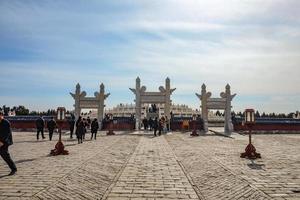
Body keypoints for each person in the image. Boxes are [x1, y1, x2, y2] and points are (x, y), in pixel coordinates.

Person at [0, 111, 17, 176]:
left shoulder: (5, 122)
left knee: (5, 156)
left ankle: (14, 169)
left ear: (2, 115)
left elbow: (6, 134)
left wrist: (1, 142)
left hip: (5, 142)